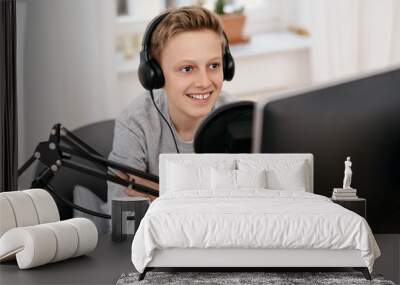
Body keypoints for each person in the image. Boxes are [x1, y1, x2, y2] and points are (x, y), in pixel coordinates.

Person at [103, 6, 237, 213]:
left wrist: (163, 196)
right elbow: (124, 220)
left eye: (213, 66)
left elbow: (250, 208)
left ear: (226, 66)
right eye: (187, 69)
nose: (204, 82)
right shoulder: (135, 123)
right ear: (155, 75)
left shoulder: (238, 117)